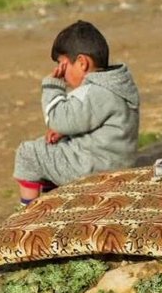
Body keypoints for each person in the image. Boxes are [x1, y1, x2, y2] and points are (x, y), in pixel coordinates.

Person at [13, 20, 140, 206]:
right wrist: (65, 130)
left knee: (29, 153)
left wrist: (52, 86)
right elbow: (89, 119)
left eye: (62, 65)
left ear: (81, 62)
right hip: (114, 162)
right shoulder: (114, 85)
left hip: (94, 169)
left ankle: (26, 216)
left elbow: (56, 119)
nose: (61, 73)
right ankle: (57, 203)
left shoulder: (95, 92)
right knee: (53, 147)